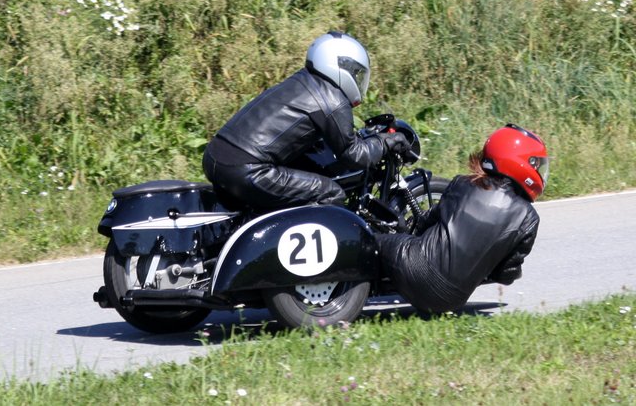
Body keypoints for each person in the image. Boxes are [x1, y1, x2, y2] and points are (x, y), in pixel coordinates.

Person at [203, 31, 410, 211]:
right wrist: (385, 141)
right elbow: (354, 154)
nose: (357, 79)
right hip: (247, 170)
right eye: (355, 72)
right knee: (330, 193)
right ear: (341, 66)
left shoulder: (301, 81)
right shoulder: (332, 99)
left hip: (215, 157)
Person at [377, 123, 549, 314]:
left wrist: (405, 230)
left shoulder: (463, 184)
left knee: (367, 238)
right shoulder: (529, 219)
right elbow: (506, 275)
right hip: (449, 301)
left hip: (413, 269)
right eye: (537, 164)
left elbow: (426, 222)